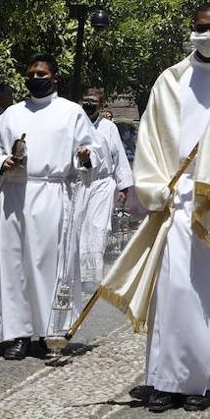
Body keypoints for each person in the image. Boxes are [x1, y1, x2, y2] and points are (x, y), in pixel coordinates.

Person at [98, 3, 210, 413]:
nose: (207, 35)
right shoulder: (170, 80)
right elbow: (150, 137)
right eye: (200, 28)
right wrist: (155, 188)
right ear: (191, 30)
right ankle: (164, 381)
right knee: (174, 287)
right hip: (177, 195)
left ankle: (202, 383)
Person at [0, 53, 97, 360]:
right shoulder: (11, 115)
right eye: (30, 73)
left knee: (48, 266)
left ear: (55, 77)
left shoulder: (71, 113)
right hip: (15, 196)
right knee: (14, 265)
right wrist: (0, 162)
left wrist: (84, 157)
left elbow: (92, 152)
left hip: (52, 195)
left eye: (41, 74)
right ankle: (17, 334)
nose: (35, 78)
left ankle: (50, 332)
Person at [74, 86, 135, 303]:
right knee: (78, 227)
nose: (89, 104)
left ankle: (93, 279)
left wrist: (123, 187)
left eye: (93, 101)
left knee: (97, 228)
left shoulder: (109, 128)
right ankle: (76, 277)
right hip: (79, 184)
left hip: (101, 184)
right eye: (86, 100)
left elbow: (118, 157)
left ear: (101, 105)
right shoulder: (75, 124)